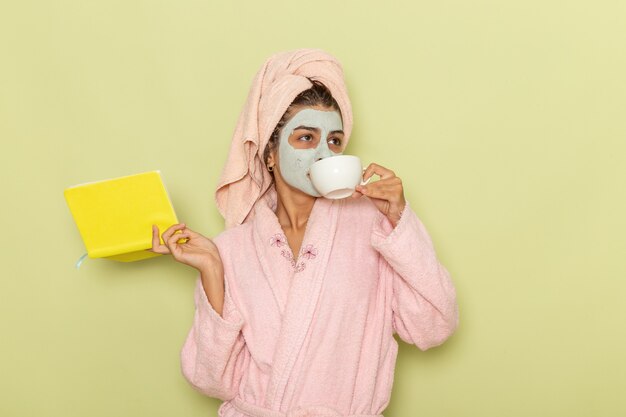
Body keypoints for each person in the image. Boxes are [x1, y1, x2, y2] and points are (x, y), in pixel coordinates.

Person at [150, 49, 459, 417]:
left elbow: (434, 327)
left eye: (334, 141)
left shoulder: (373, 226)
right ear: (270, 153)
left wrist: (401, 222)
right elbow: (211, 380)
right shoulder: (232, 248)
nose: (325, 154)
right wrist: (212, 272)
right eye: (306, 138)